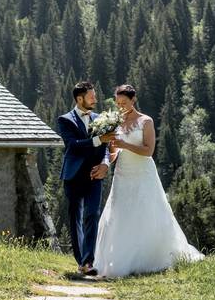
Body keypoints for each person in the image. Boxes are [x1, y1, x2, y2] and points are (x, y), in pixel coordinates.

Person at [93, 84, 204, 277]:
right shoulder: (115, 122)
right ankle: (121, 256)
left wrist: (124, 144)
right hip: (122, 172)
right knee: (120, 212)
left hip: (143, 171)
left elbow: (148, 151)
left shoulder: (146, 121)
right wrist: (106, 158)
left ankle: (150, 257)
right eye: (118, 103)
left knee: (147, 209)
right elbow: (112, 153)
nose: (121, 106)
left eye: (124, 102)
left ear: (133, 100)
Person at [57, 81, 112, 276]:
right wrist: (98, 140)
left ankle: (88, 262)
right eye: (91, 96)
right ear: (79, 99)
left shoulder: (100, 118)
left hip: (95, 175)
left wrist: (105, 164)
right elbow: (72, 145)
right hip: (73, 176)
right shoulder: (65, 120)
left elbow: (107, 148)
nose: (95, 99)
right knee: (75, 218)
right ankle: (80, 261)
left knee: (92, 214)